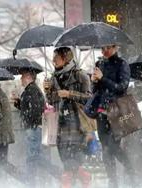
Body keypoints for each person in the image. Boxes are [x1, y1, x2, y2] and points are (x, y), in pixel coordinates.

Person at [43, 47, 92, 188]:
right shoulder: (53, 77)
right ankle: (84, 177)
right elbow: (52, 101)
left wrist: (69, 93)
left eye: (56, 58)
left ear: (65, 59)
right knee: (66, 159)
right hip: (60, 123)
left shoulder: (80, 75)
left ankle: (69, 183)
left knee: (71, 161)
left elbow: (89, 98)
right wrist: (47, 91)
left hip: (77, 123)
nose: (53, 61)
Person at [89, 45, 135, 188]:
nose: (104, 51)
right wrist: (94, 81)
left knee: (112, 148)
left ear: (115, 47)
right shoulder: (99, 64)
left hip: (118, 111)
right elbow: (95, 90)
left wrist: (103, 79)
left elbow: (122, 87)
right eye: (102, 48)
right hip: (102, 113)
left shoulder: (122, 64)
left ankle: (131, 171)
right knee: (105, 149)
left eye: (108, 48)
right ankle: (112, 182)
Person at [12, 69, 61, 187]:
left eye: (22, 77)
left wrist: (30, 123)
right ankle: (33, 180)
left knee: (32, 157)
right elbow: (30, 108)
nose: (21, 79)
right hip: (34, 127)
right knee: (33, 157)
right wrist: (19, 103)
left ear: (29, 77)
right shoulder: (31, 90)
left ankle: (54, 173)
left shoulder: (31, 91)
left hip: (33, 128)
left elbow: (34, 111)